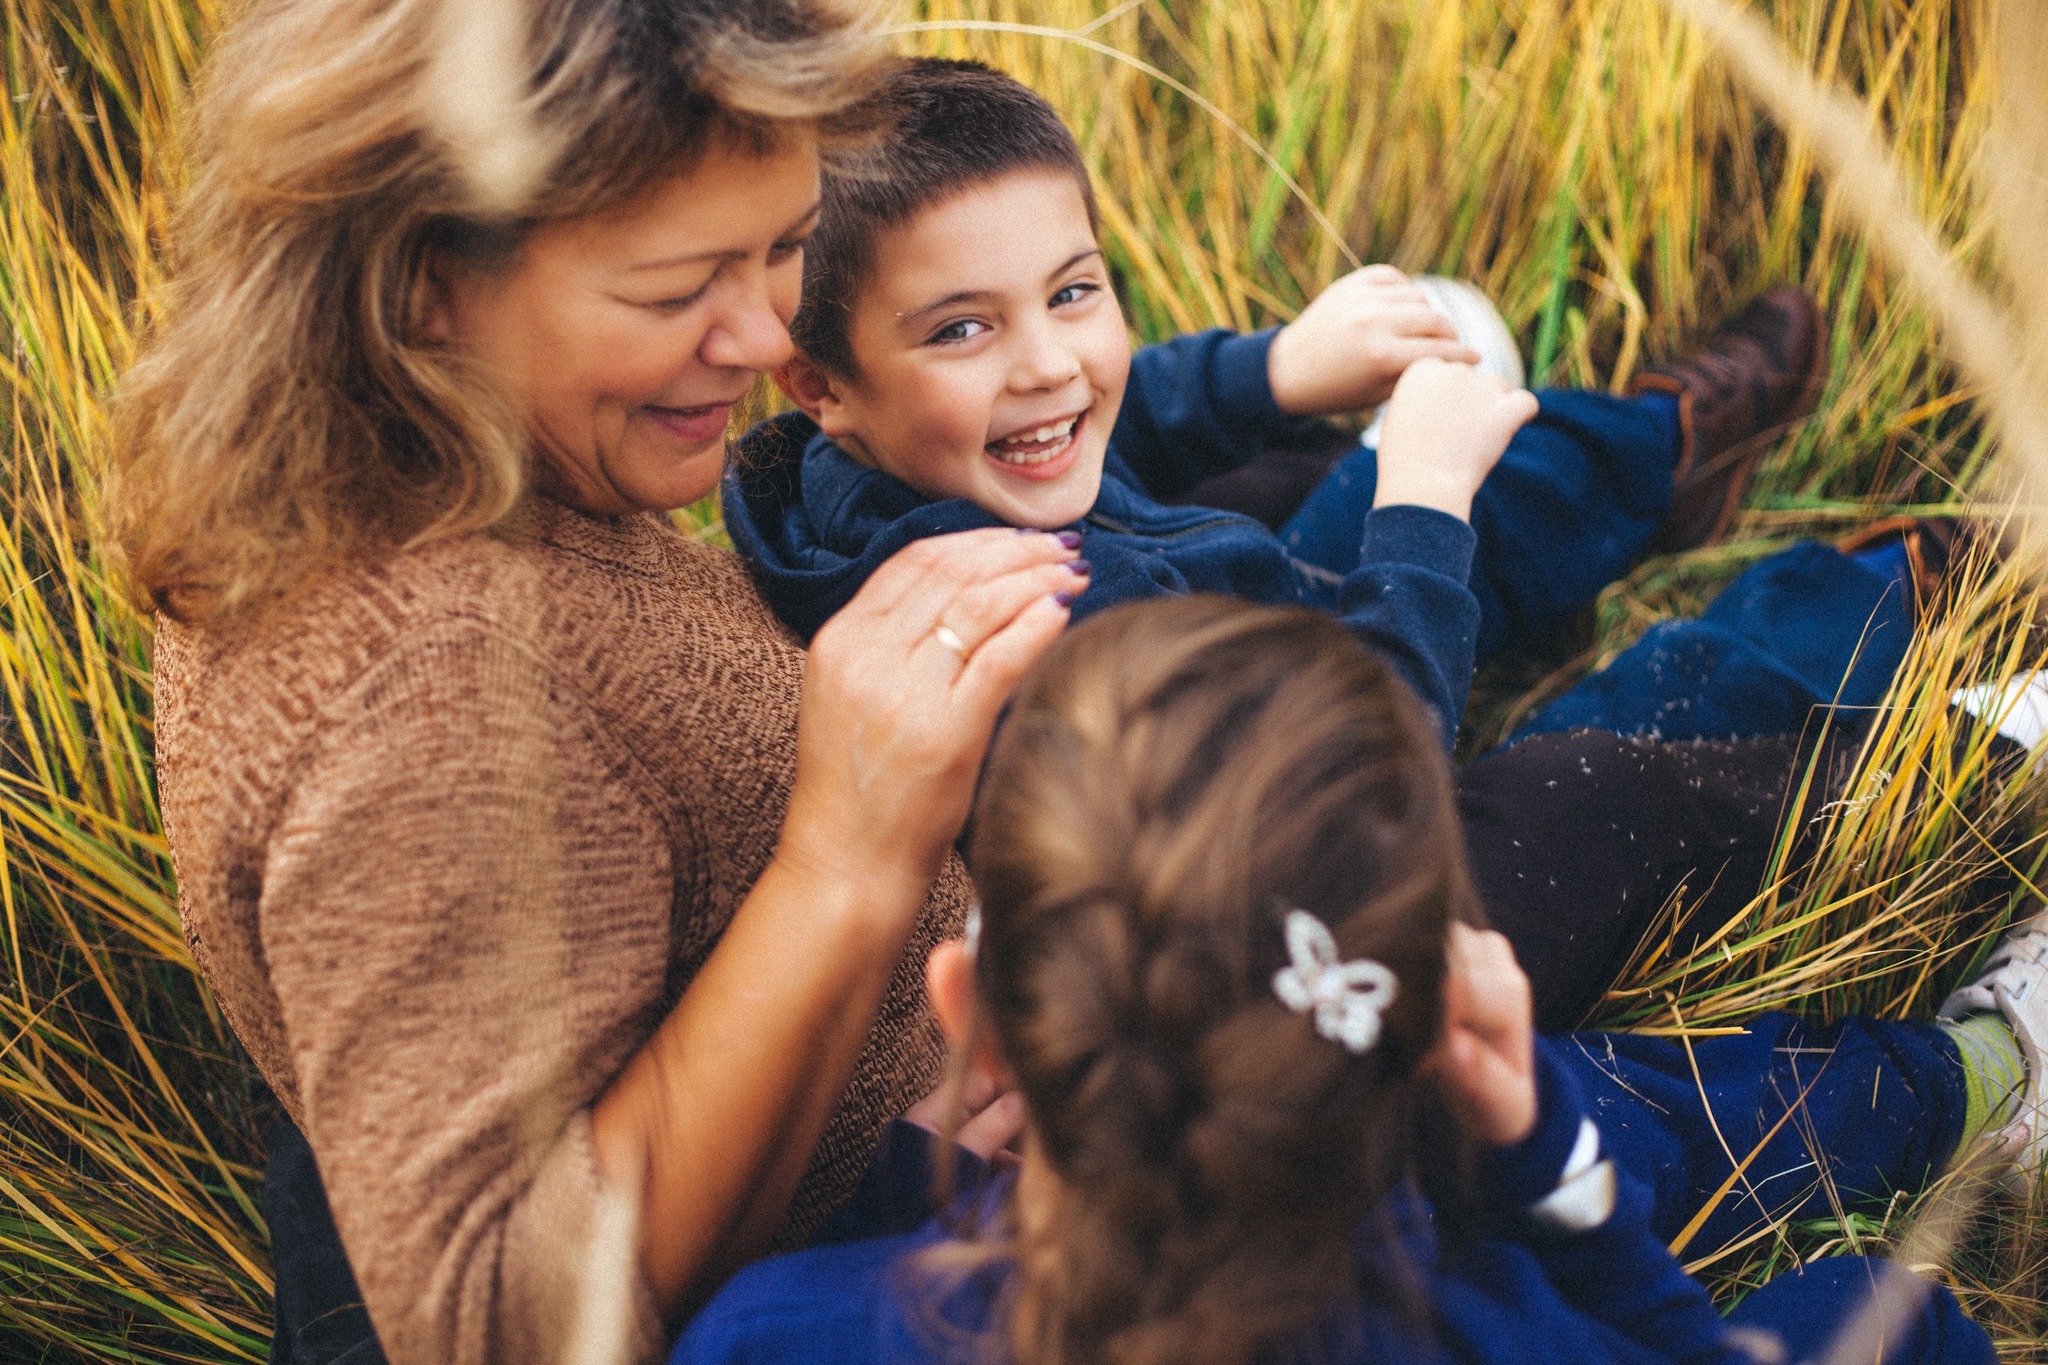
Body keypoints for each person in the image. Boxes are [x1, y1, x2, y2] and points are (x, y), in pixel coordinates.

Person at [110, 4, 1089, 1363]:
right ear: (419, 280)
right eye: (675, 288)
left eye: (787, 247)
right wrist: (850, 855)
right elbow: (498, 1327)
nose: (765, 335)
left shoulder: (432, 443)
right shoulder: (430, 700)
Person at [674, 596, 2034, 1365]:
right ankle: (1990, 1070)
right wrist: (1539, 1153)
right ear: (1433, 1005)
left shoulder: (770, 1332)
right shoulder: (1481, 1328)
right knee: (1883, 1307)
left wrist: (911, 1187)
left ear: (969, 1010)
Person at [725, 58, 1829, 749]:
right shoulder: (1044, 634)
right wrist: (1424, 501)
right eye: (961, 328)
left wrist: (1274, 368)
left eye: (1071, 292)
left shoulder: (882, 469)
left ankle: (1663, 450)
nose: (1048, 364)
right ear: (821, 386)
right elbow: (1361, 760)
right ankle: (1860, 609)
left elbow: (1130, 411)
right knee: (1606, 767)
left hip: (1256, 649)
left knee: (1389, 476)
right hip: (1332, 881)